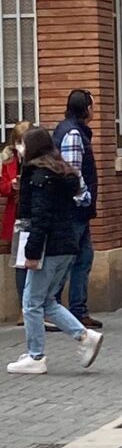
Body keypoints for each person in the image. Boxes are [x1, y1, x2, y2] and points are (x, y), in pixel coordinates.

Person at [7, 128, 103, 375]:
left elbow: (40, 218)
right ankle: (84, 336)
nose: (19, 149)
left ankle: (36, 355)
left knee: (31, 303)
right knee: (47, 300)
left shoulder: (40, 177)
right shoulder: (62, 173)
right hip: (65, 245)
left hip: (47, 248)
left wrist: (31, 252)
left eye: (23, 144)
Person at [52, 90, 101, 329]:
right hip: (73, 210)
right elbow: (73, 172)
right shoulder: (73, 133)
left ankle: (78, 311)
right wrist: (85, 198)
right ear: (86, 109)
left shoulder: (73, 130)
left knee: (83, 258)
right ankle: (54, 310)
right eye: (92, 106)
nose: (94, 110)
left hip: (77, 210)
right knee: (66, 260)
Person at [1, 120, 32, 323]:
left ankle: (41, 306)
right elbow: (2, 187)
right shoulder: (8, 159)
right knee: (21, 264)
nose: (22, 146)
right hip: (18, 216)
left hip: (36, 215)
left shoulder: (41, 159)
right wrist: (11, 185)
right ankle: (23, 308)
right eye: (19, 141)